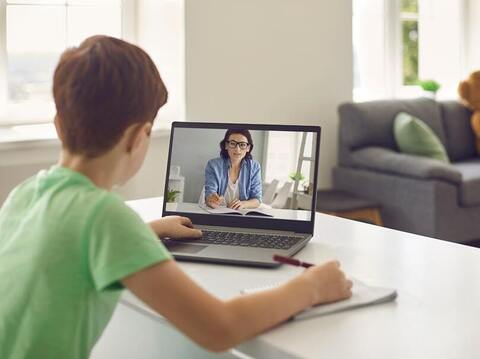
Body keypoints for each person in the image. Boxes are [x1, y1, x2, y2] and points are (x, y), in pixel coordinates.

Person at [0, 35, 352, 358]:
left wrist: (146, 229)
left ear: (58, 124)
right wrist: (311, 288)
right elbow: (219, 327)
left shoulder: (26, 193)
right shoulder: (104, 216)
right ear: (140, 137)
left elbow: (70, 242)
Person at [204, 129, 262, 210]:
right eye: (232, 144)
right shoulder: (213, 165)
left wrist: (243, 204)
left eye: (242, 145)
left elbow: (257, 200)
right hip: (218, 212)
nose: (237, 149)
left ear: (248, 147)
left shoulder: (254, 167)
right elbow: (210, 193)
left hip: (242, 215)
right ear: (226, 145)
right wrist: (212, 199)